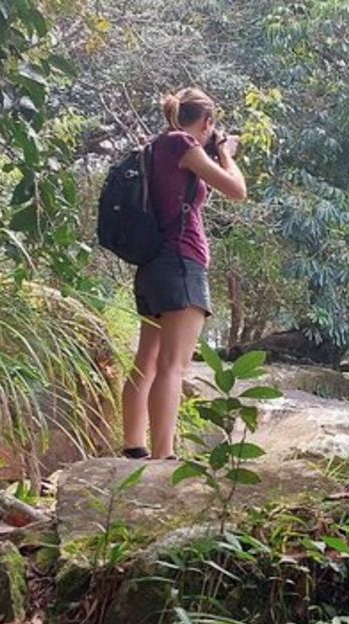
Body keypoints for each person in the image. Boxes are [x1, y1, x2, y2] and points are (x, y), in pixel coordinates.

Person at [120, 88, 247, 461]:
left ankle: (134, 446)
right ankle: (163, 456)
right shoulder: (182, 144)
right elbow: (237, 189)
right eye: (212, 127)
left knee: (147, 359)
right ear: (207, 122)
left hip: (153, 265)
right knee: (173, 365)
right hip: (180, 262)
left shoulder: (158, 147)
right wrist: (225, 153)